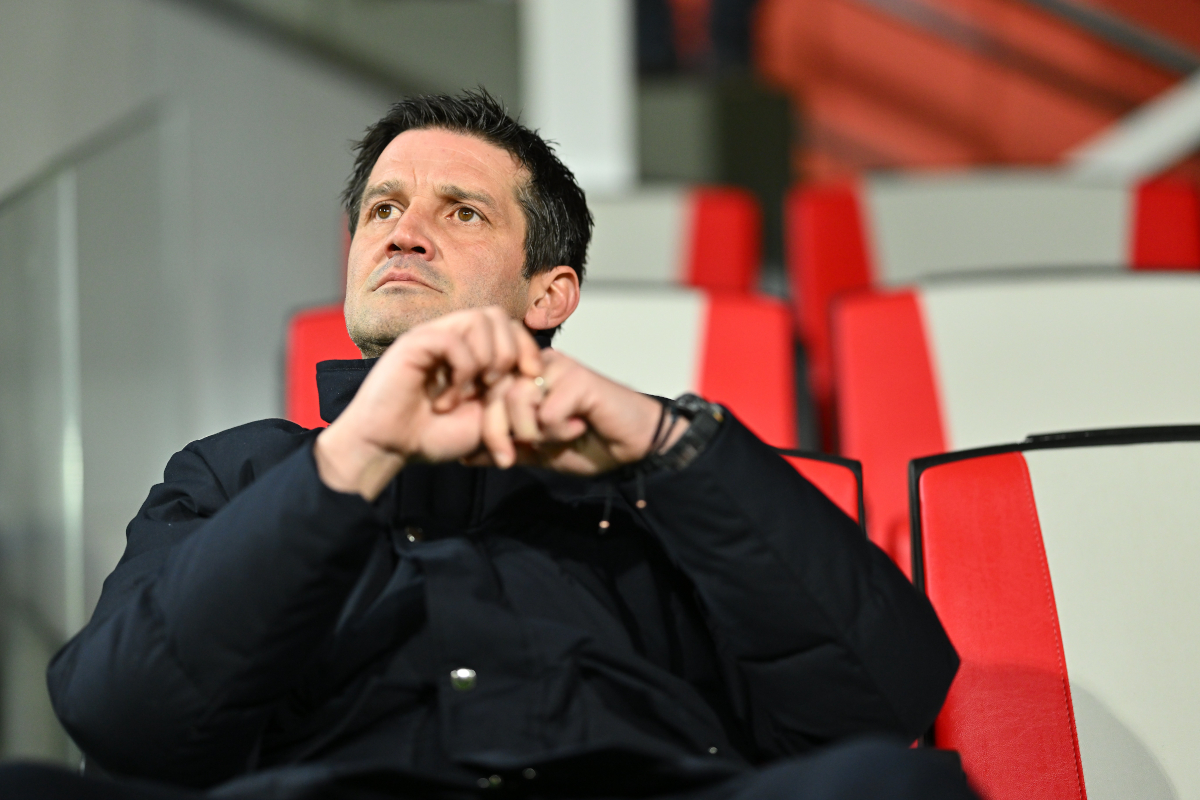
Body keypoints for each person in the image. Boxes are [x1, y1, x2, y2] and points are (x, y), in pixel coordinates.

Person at [5, 91, 969, 800]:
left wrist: (666, 445)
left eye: (460, 212)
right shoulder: (237, 472)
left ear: (550, 293)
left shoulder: (665, 485)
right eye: (382, 209)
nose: (404, 234)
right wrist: (350, 464)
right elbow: (122, 721)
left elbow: (881, 700)